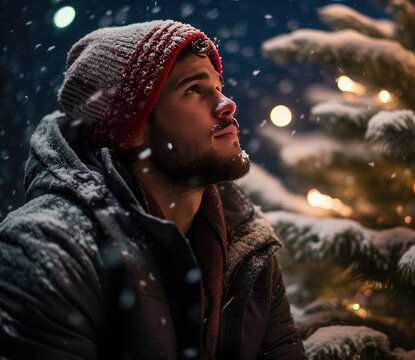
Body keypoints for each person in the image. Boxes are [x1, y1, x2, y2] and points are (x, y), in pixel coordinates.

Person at [0, 20, 306, 360]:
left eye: (219, 87)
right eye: (193, 90)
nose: (226, 104)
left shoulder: (247, 243)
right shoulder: (47, 250)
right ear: (133, 129)